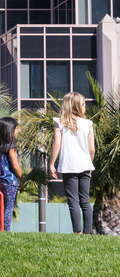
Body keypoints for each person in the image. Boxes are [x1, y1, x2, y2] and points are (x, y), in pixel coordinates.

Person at [49, 92, 95, 234]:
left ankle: (77, 232)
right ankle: (88, 233)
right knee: (85, 200)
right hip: (85, 165)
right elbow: (91, 149)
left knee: (73, 200)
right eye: (83, 104)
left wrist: (52, 163)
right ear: (76, 106)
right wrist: (90, 163)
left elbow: (57, 144)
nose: (84, 106)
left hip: (69, 165)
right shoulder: (88, 123)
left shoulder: (59, 122)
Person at [0, 117, 23, 232]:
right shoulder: (11, 147)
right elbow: (15, 166)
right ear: (9, 131)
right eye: (16, 129)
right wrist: (22, 178)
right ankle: (6, 230)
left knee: (5, 205)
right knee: (9, 206)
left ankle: (3, 228)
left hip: (0, 179)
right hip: (10, 180)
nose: (18, 131)